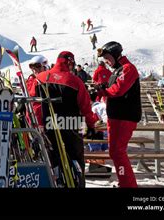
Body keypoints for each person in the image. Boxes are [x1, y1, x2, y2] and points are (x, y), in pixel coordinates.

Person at [36, 51, 99, 187]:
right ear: (69, 62)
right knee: (76, 158)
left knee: (53, 158)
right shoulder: (74, 80)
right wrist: (91, 125)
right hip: (73, 123)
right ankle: (78, 184)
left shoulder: (40, 78)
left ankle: (56, 182)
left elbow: (35, 104)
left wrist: (38, 123)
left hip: (49, 123)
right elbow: (85, 106)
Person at [96, 41, 142, 188]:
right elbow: (112, 88)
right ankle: (124, 181)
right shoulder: (117, 70)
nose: (106, 61)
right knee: (115, 152)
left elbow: (118, 90)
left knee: (118, 152)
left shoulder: (128, 69)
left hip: (125, 117)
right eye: (105, 59)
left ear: (116, 55)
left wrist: (102, 91)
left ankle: (128, 184)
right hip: (116, 116)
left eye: (108, 57)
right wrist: (102, 88)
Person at [25, 55, 49, 126]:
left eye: (38, 67)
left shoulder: (48, 80)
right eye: (33, 68)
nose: (35, 70)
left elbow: (33, 93)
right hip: (31, 116)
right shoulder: (31, 80)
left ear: (45, 67)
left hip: (43, 118)